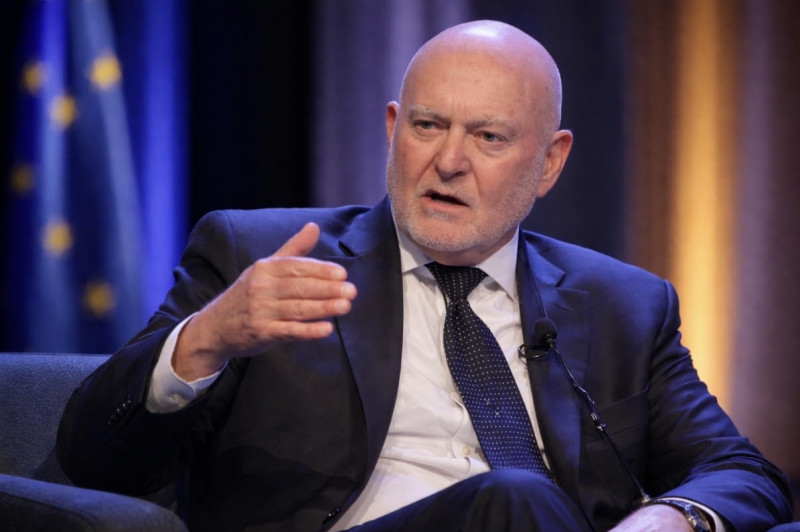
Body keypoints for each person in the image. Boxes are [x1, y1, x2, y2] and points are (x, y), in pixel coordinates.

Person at [57, 20, 792, 532]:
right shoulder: (262, 256)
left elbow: (743, 474)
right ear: (392, 129)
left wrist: (670, 516)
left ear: (550, 162)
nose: (449, 161)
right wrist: (207, 340)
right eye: (428, 125)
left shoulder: (622, 304)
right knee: (513, 500)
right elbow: (94, 460)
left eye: (489, 137)